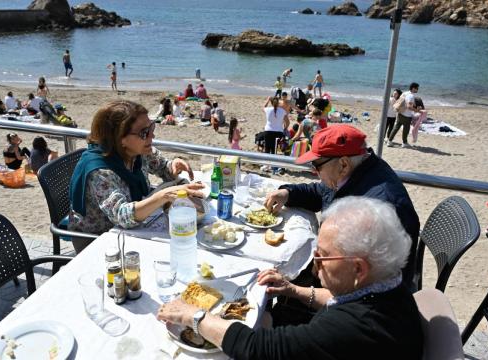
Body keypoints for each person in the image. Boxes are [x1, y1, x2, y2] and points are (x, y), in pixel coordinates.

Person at [157, 196, 424, 360]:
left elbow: (258, 348)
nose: (314, 267)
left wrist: (194, 316)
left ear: (358, 269)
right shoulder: (387, 286)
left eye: (322, 257)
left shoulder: (356, 328)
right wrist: (292, 290)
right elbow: (340, 298)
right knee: (264, 315)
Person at [265, 125, 420, 296]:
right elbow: (321, 192)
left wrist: (297, 291)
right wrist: (288, 193)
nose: (314, 171)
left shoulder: (379, 208)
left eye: (317, 165)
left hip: (363, 300)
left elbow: (371, 292)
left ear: (343, 164)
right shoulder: (355, 171)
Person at [68, 100, 204, 252]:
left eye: (151, 127)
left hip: (128, 231)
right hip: (97, 240)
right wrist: (163, 196)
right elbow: (122, 215)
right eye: (144, 132)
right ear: (120, 138)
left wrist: (173, 166)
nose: (152, 135)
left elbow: (161, 166)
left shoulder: (136, 152)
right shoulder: (99, 171)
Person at [260, 96, 289, 172]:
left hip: (268, 131)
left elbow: (263, 107)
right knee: (274, 149)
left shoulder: (267, 109)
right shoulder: (282, 111)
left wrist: (267, 100)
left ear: (271, 102)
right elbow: (287, 122)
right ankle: (273, 166)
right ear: (278, 102)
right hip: (279, 132)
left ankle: (266, 165)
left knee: (267, 148)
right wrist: (285, 128)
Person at [388, 82, 419, 148]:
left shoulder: (405, 93)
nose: (417, 89)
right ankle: (404, 143)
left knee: (396, 128)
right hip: (406, 116)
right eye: (417, 88)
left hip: (400, 113)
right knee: (406, 130)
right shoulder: (411, 96)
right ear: (413, 88)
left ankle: (389, 141)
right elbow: (409, 106)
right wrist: (416, 110)